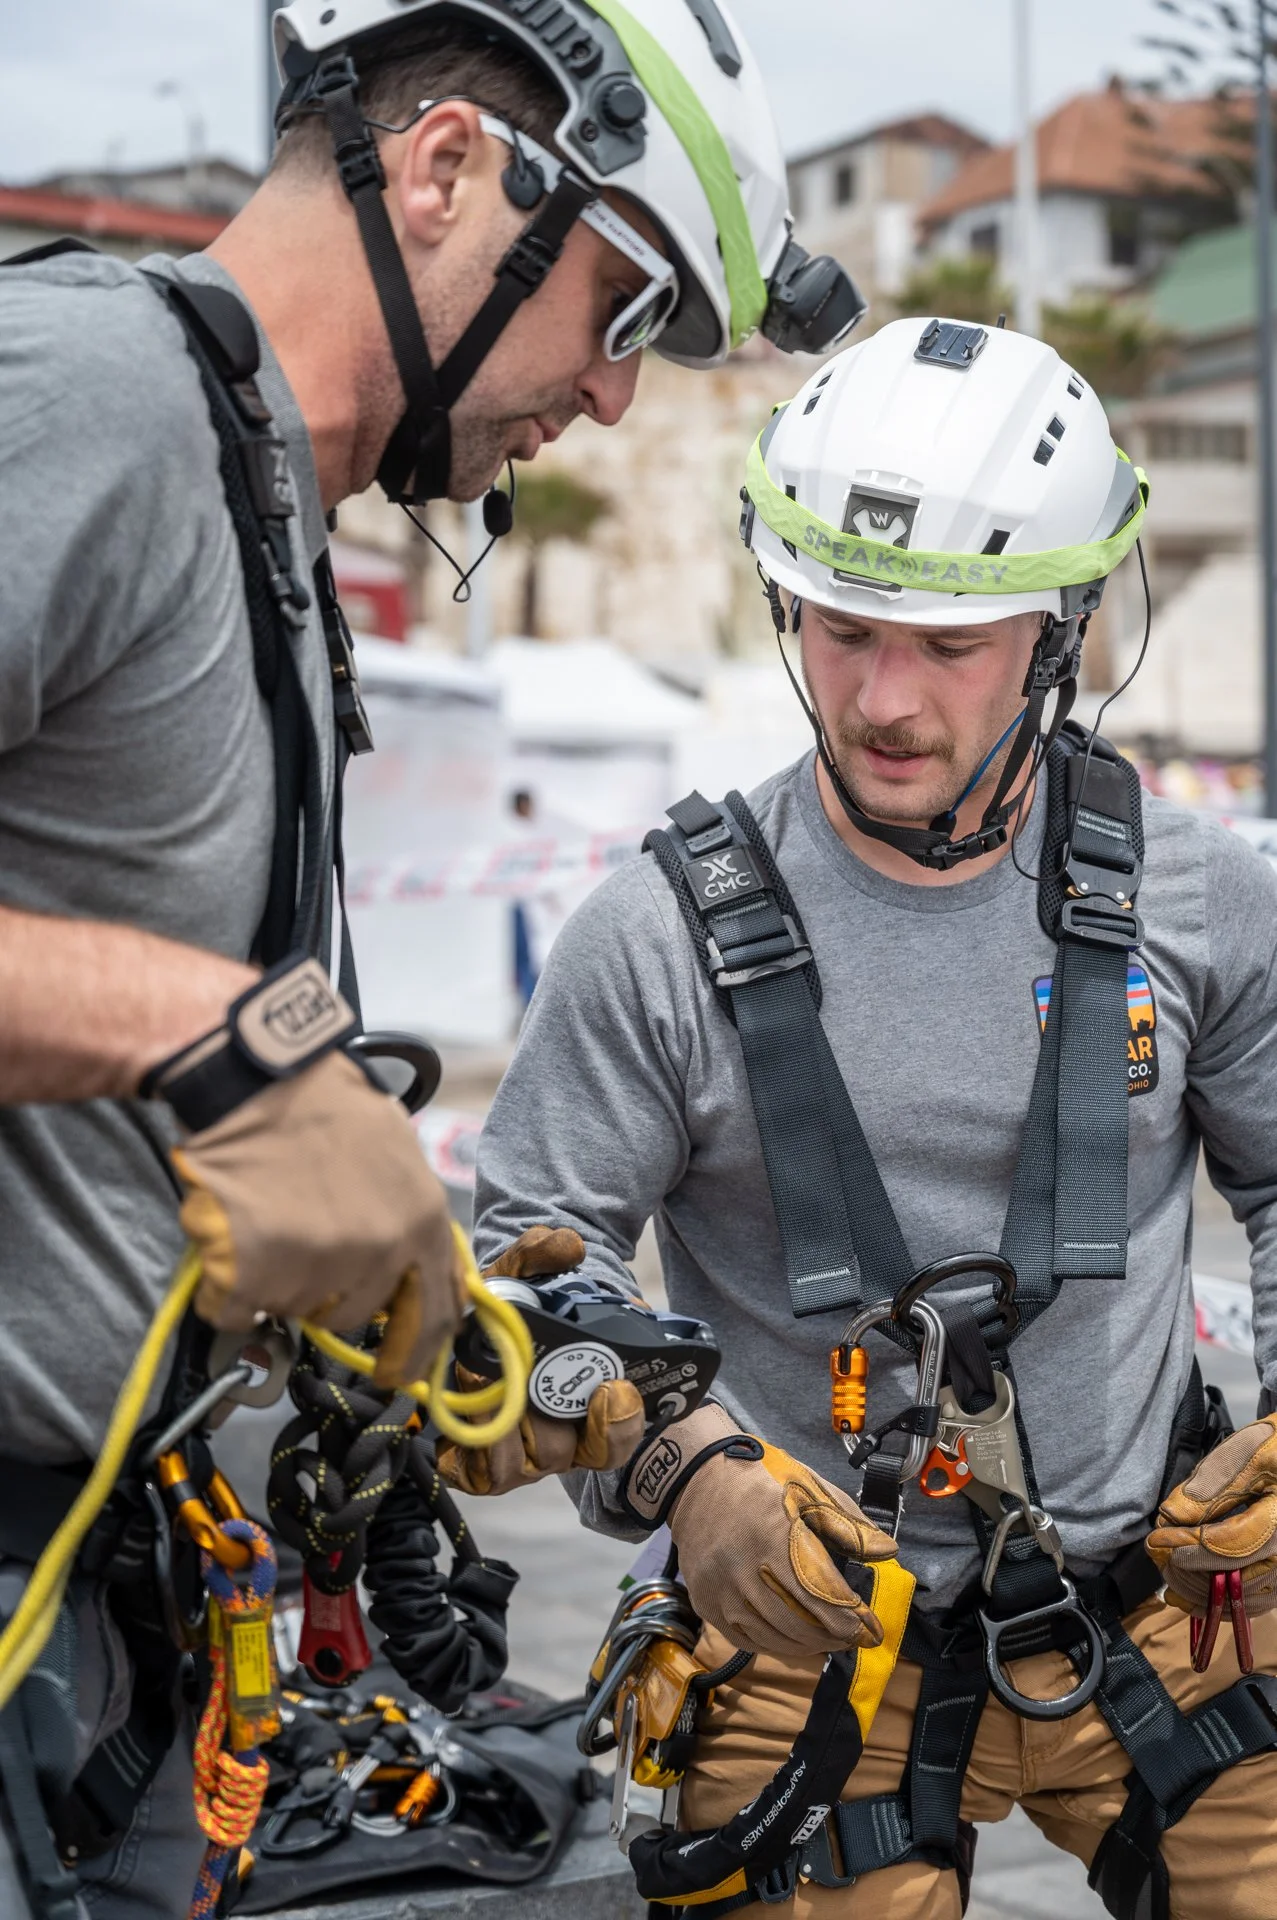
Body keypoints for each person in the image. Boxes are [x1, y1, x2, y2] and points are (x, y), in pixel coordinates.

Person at [0, 3, 860, 1913]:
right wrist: (200, 1039)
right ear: (451, 166)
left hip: (121, 1617)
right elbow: (198, 1037)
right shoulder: (82, 396)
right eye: (626, 310)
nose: (619, 399)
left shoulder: (266, 516)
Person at [457, 317, 1277, 1918]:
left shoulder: (1198, 899)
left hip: (1171, 1600)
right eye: (839, 630)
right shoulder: (660, 934)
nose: (881, 698)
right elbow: (520, 1277)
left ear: (1059, 633)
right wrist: (687, 1471)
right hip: (801, 1623)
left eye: (948, 645)